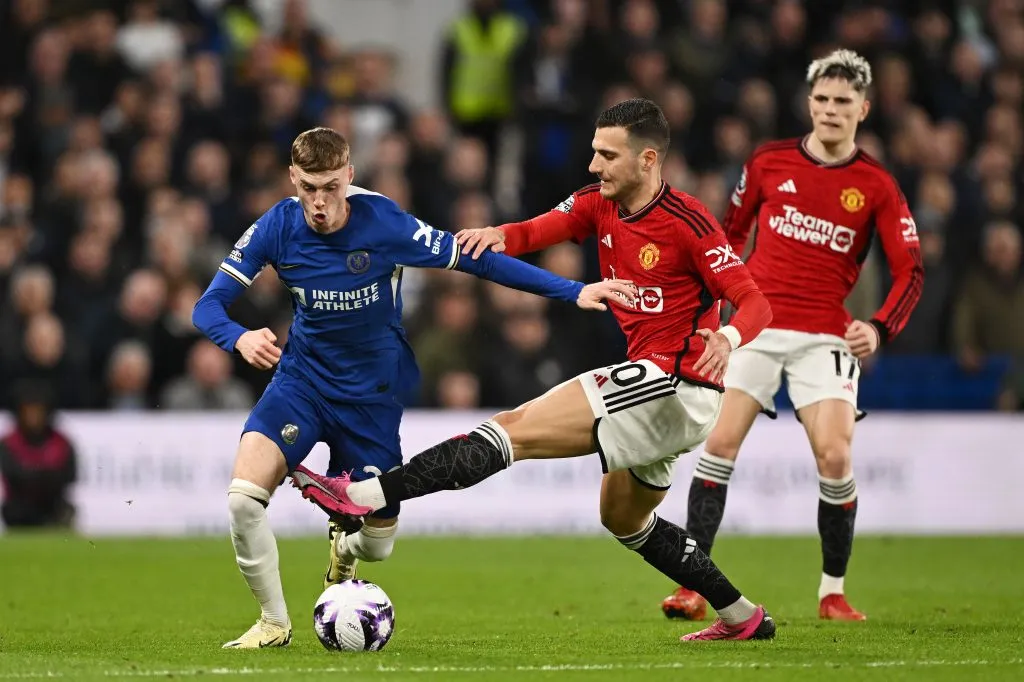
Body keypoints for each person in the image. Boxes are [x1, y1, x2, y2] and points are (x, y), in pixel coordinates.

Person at [291, 99, 780, 642]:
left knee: (512, 430)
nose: (594, 166)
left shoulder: (689, 221)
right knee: (623, 519)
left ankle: (366, 495)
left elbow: (755, 303)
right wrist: (500, 234)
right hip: (660, 390)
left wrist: (730, 337)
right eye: (594, 152)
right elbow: (544, 227)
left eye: (607, 156)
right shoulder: (601, 202)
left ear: (647, 160)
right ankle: (743, 617)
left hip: (676, 382)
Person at [191, 127, 634, 649]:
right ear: (293, 180)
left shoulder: (385, 222)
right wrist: (238, 339)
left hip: (373, 399)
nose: (319, 202)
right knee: (244, 501)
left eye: (331, 186)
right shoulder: (276, 227)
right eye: (309, 187)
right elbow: (206, 307)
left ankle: (344, 553)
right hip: (301, 384)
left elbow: (476, 259)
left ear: (350, 176)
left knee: (376, 548)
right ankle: (273, 623)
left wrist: (574, 289)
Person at [660, 49, 925, 623]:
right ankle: (693, 586)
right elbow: (726, 238)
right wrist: (716, 313)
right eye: (822, 100)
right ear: (809, 104)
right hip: (756, 327)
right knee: (719, 443)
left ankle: (832, 592)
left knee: (834, 455)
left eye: (843, 102)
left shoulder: (876, 184)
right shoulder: (767, 162)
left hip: (824, 337)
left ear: (864, 108)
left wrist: (879, 327)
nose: (830, 110)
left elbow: (910, 269)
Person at [0, 381, 77, 530]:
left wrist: (34, 476)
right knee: (12, 510)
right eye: (28, 411)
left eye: (37, 411)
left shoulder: (62, 442)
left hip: (53, 505)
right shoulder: (9, 443)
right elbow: (12, 476)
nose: (33, 417)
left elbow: (70, 476)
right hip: (20, 506)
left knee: (66, 509)